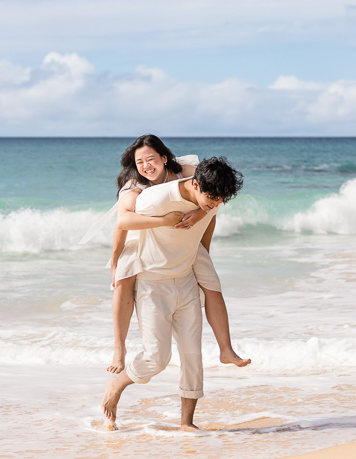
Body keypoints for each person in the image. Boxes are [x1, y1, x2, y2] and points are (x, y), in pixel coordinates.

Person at [101, 157, 244, 431]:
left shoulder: (211, 200)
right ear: (194, 183)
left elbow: (210, 218)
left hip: (187, 281)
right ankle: (118, 383)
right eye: (211, 198)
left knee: (193, 355)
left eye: (220, 200)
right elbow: (123, 223)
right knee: (157, 358)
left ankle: (186, 422)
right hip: (153, 286)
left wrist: (203, 220)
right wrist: (116, 261)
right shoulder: (156, 199)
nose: (215, 203)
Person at [107, 135, 249, 373]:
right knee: (122, 280)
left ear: (164, 158)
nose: (145, 166)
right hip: (139, 234)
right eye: (139, 162)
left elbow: (215, 191)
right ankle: (119, 350)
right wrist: (115, 259)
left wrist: (200, 215)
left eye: (150, 159)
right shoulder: (134, 186)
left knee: (212, 282)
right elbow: (122, 222)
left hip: (186, 236)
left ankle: (226, 349)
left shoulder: (186, 171)